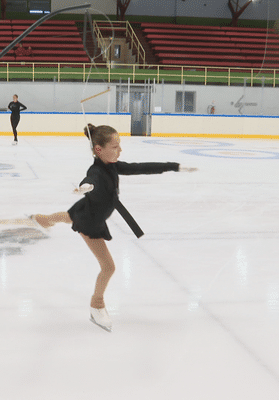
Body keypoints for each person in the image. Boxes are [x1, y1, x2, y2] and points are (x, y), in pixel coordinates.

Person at [31, 124, 195, 332]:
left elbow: (141, 167)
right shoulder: (97, 171)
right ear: (99, 150)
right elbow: (91, 177)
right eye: (115, 147)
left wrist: (174, 166)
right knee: (108, 267)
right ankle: (96, 305)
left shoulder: (113, 166)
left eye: (120, 146)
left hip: (86, 210)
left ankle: (43, 220)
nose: (120, 150)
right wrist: (86, 186)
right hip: (91, 222)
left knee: (68, 216)